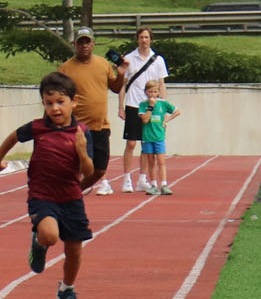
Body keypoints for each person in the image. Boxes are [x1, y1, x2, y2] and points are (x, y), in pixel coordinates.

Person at [0, 70, 96, 299]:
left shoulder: (82, 132)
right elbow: (14, 137)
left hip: (70, 196)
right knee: (50, 235)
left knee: (74, 250)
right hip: (42, 194)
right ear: (43, 105)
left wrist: (81, 151)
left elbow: (88, 171)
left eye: (60, 102)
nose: (55, 108)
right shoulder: (38, 128)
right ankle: (39, 244)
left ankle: (67, 289)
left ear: (74, 102)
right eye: (49, 104)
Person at [57, 27, 125, 195]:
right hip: (77, 127)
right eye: (81, 42)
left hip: (100, 126)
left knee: (100, 169)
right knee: (78, 165)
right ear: (75, 44)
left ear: (93, 43)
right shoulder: (66, 69)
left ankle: (75, 192)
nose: (85, 45)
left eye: (88, 42)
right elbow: (58, 97)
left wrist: (122, 75)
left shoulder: (103, 64)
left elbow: (116, 88)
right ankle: (71, 194)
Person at [117, 26, 168, 193]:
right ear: (137, 39)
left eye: (147, 37)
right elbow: (122, 85)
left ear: (151, 39)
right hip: (133, 104)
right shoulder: (129, 59)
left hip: (151, 106)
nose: (144, 40)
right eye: (141, 37)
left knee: (147, 144)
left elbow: (161, 84)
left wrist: (163, 106)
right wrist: (121, 107)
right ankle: (126, 179)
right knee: (131, 143)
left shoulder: (158, 60)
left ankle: (142, 178)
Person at [137, 80, 180, 196]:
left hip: (159, 136)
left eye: (155, 91)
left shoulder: (163, 103)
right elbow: (145, 120)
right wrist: (150, 106)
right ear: (146, 92)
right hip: (147, 137)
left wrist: (167, 120)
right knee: (151, 161)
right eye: (150, 92)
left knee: (161, 161)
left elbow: (177, 111)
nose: (152, 94)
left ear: (158, 92)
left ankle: (164, 184)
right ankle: (154, 185)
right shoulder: (143, 105)